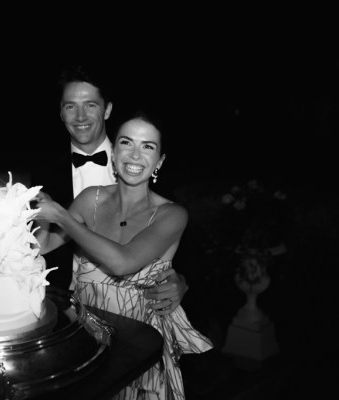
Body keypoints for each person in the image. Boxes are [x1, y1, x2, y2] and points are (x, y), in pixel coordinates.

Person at [34, 112, 213, 400]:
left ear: (160, 162)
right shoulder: (89, 199)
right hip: (83, 343)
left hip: (141, 352)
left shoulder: (171, 214)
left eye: (148, 146)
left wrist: (63, 218)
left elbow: (123, 263)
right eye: (126, 143)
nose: (135, 154)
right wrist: (40, 214)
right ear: (114, 153)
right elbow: (43, 246)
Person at [31, 64, 188, 315]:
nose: (81, 117)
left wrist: (182, 281)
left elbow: (177, 243)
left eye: (91, 105)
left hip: (141, 315)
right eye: (71, 106)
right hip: (70, 307)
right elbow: (40, 246)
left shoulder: (150, 173)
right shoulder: (44, 173)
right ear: (61, 113)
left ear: (107, 109)